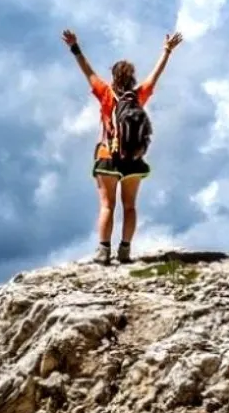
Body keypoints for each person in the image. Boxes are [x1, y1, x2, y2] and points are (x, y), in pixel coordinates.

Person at [62, 29, 183, 264]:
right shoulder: (139, 96)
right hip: (134, 161)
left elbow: (87, 71)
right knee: (130, 207)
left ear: (114, 77)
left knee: (107, 205)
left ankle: (104, 251)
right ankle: (125, 250)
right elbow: (155, 76)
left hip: (108, 157)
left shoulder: (105, 93)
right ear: (132, 78)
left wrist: (75, 47)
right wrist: (167, 51)